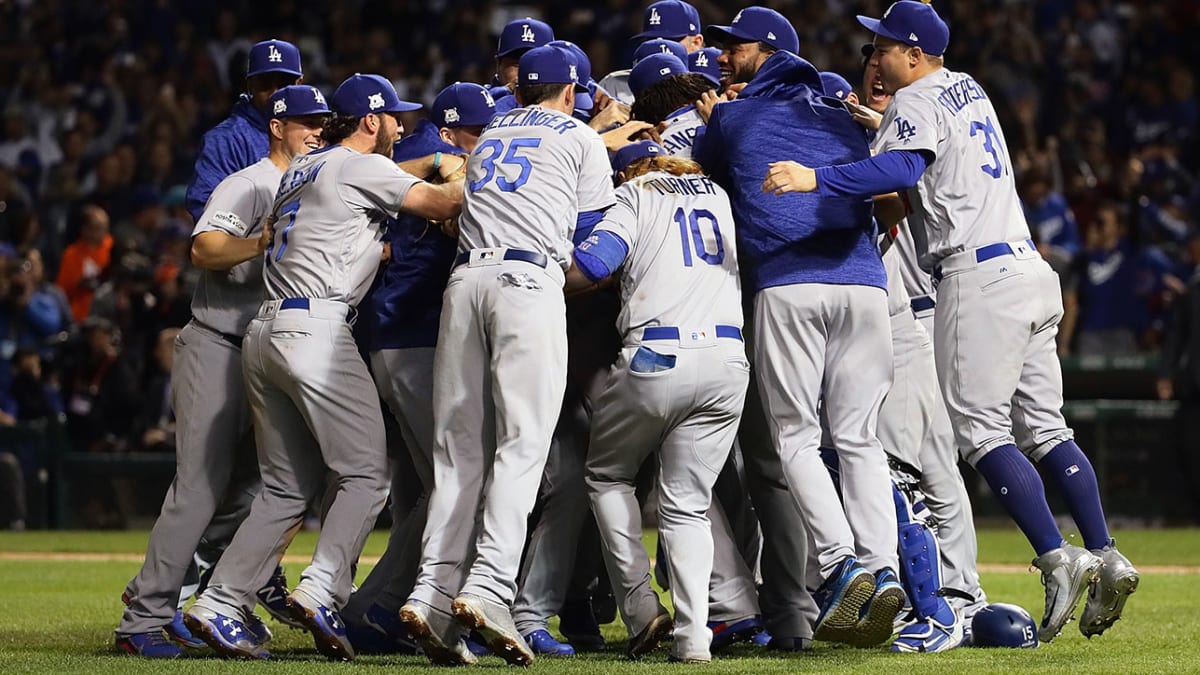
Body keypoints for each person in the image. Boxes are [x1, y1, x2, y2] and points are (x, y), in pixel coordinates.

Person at [761, 0, 1139, 642]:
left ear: (913, 53)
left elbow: (904, 169)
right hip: (1030, 270)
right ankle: (1106, 551)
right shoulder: (968, 88)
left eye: (882, 47)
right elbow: (926, 149)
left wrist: (812, 175)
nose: (875, 58)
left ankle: (1057, 557)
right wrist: (879, 121)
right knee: (1046, 428)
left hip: (977, 276)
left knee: (983, 434)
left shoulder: (912, 102)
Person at [184, 74, 463, 662]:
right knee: (365, 476)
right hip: (318, 330)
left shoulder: (302, 170)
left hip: (265, 331)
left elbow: (358, 210)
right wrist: (464, 164)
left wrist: (425, 166)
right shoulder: (357, 165)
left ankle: (218, 602)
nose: (402, 127)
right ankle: (324, 588)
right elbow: (443, 203)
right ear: (370, 120)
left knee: (286, 488)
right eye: (394, 117)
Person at [399, 45, 613, 667]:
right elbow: (590, 232)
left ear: (520, 89)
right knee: (523, 445)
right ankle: (491, 587)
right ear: (570, 92)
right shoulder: (578, 136)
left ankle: (432, 594)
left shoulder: (491, 130)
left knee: (457, 453)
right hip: (526, 283)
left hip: (464, 287)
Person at [696, 5, 901, 647]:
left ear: (768, 52)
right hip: (864, 285)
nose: (726, 55)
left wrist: (714, 118)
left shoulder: (732, 114)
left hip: (788, 283)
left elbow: (705, 169)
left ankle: (841, 566)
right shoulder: (843, 114)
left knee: (794, 437)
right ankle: (882, 567)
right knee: (861, 439)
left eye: (737, 47)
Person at [116, 85, 330, 659]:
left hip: (265, 352)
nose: (315, 130)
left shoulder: (311, 185)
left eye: (321, 122)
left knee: (251, 489)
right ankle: (142, 619)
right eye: (304, 121)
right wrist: (260, 241)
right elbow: (204, 249)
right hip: (217, 343)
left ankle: (167, 594)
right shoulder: (251, 181)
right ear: (277, 127)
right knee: (200, 487)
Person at [565, 141, 750, 663]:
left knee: (607, 476)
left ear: (629, 170)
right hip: (727, 359)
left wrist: (540, 280)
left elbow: (596, 263)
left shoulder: (635, 194)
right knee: (688, 503)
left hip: (656, 354)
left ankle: (642, 608)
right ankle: (694, 637)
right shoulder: (717, 192)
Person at [343, 81, 491, 654]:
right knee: (459, 482)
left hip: (399, 336)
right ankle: (376, 604)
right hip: (413, 339)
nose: (487, 142)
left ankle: (384, 606)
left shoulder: (427, 157)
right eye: (478, 132)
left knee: (436, 484)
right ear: (453, 131)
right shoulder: (436, 158)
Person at [849, 43, 989, 637]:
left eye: (886, 75)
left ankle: (959, 591)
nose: (879, 82)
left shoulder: (920, 138)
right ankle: (926, 587)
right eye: (871, 77)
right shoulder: (869, 145)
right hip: (868, 320)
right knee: (883, 462)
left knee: (932, 463)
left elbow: (901, 183)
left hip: (920, 316)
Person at [184, 39, 303, 221]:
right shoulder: (226, 139)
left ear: (299, 83)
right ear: (250, 85)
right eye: (265, 84)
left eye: (283, 84)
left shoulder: (314, 133)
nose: (274, 93)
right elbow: (206, 210)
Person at [599, 0, 704, 105]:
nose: (659, 46)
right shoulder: (614, 84)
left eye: (671, 41)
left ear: (696, 42)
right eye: (652, 39)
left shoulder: (710, 84)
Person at [55, 204, 113, 322]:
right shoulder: (72, 254)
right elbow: (61, 290)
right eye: (97, 228)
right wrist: (79, 283)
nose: (102, 233)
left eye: (104, 228)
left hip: (107, 315)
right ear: (84, 229)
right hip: (80, 315)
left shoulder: (112, 248)